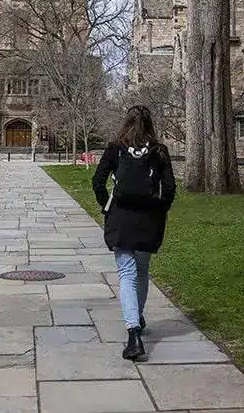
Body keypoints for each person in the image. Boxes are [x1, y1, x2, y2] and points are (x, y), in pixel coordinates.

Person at [91, 105, 176, 361]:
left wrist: (107, 206)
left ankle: (133, 333)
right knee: (141, 271)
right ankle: (136, 317)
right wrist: (160, 209)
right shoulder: (160, 150)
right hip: (148, 218)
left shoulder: (115, 147)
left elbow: (98, 181)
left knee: (127, 273)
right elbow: (170, 188)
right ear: (150, 124)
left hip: (122, 216)